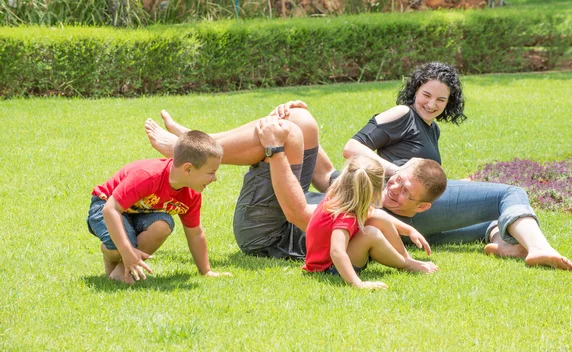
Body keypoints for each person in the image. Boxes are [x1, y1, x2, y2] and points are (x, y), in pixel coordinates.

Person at [305, 61, 572, 271]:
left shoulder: (431, 129)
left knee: (486, 219)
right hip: (397, 201)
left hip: (412, 209)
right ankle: (539, 248)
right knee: (510, 193)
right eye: (426, 94)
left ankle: (505, 244)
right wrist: (397, 172)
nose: (431, 104)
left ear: (449, 103)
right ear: (415, 90)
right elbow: (352, 148)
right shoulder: (403, 114)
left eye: (441, 100)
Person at [145, 110, 444, 262]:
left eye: (406, 193)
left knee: (285, 134)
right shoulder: (366, 182)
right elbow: (325, 174)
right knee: (301, 122)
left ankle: (189, 150)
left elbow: (298, 214)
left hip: (266, 235)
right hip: (284, 210)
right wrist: (296, 116)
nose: (395, 189)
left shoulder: (377, 220)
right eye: (399, 180)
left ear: (422, 207)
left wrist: (276, 150)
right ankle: (197, 143)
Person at [87, 130, 232, 285]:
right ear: (188, 169)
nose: (215, 178)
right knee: (121, 244)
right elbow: (110, 209)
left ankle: (121, 272)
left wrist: (206, 271)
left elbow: (195, 234)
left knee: (163, 224)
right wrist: (126, 249)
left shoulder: (191, 194)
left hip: (137, 213)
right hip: (105, 206)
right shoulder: (148, 176)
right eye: (211, 172)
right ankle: (112, 254)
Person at [303, 155, 438, 290]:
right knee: (371, 234)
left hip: (327, 262)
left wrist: (409, 230)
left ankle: (407, 259)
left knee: (380, 219)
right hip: (328, 268)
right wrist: (358, 284)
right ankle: (404, 264)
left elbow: (376, 214)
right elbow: (336, 251)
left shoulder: (339, 195)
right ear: (375, 191)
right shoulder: (345, 216)